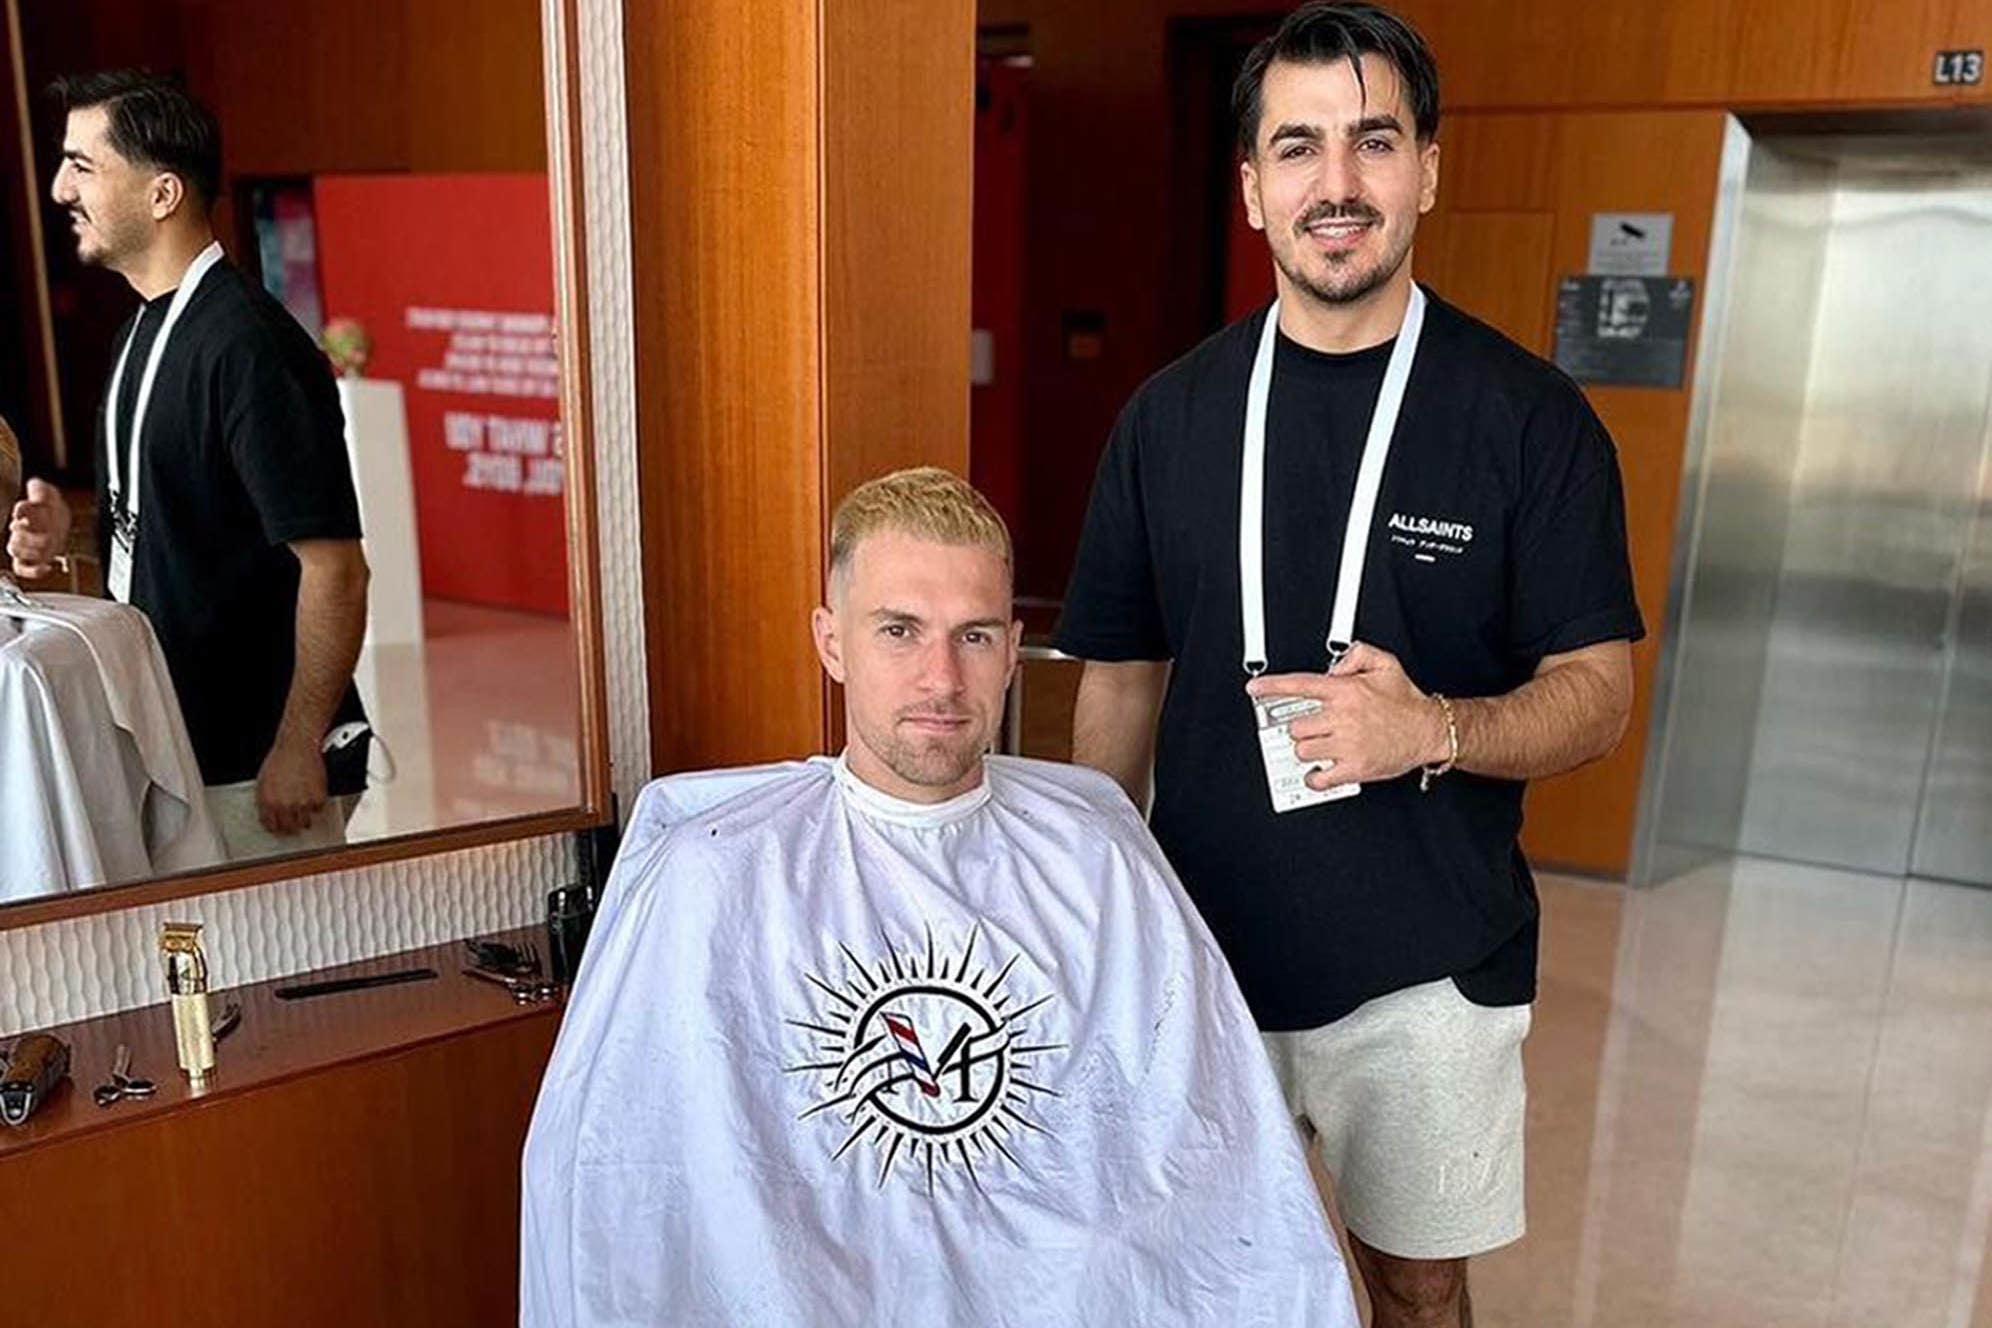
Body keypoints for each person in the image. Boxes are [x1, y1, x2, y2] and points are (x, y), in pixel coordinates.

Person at [1054, 5, 1645, 1325]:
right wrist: (1095, 901)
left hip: (1431, 964)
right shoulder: (1169, 419)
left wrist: (1429, 727)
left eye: (1373, 141)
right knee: (1195, 1280)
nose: (1337, 183)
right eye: (1299, 146)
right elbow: (1123, 674)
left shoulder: (1529, 422)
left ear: (1427, 168)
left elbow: (1599, 693)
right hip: (1198, 959)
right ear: (1254, 186)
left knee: (1419, 1286)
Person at [520, 468, 1358, 1327]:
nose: (941, 679)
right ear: (832, 641)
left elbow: (1203, 1146)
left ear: (1014, 647)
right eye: (899, 630)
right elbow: (624, 1179)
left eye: (976, 637)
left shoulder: (1098, 861)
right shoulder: (712, 878)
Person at [5, 69, 370, 861]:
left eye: (82, 164)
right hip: (175, 750)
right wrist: (74, 533)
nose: (60, 188)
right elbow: (178, 527)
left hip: (258, 765)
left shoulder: (249, 347)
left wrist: (299, 743)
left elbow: (336, 570)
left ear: (164, 192)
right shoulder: (142, 330)